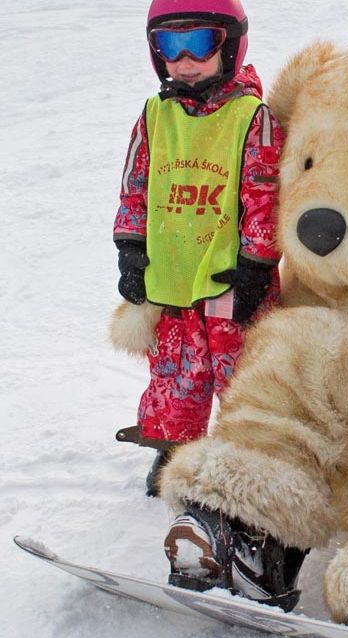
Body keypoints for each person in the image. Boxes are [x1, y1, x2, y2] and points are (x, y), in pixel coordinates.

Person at [113, 0, 282, 497]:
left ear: (230, 46)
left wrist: (256, 265)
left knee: (241, 372)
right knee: (175, 375)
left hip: (229, 278)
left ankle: (248, 455)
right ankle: (174, 450)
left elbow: (265, 195)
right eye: (170, 45)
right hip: (171, 276)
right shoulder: (155, 115)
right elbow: (135, 187)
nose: (184, 60)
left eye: (200, 43)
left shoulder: (252, 117)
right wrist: (130, 247)